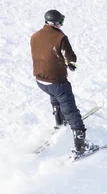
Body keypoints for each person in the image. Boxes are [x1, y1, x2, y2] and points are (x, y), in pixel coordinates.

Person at [30, 9, 98, 157]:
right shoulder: (60, 37)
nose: (61, 24)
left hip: (41, 81)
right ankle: (81, 146)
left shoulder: (34, 36)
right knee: (72, 112)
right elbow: (70, 56)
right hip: (57, 82)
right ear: (56, 23)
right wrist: (71, 64)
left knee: (55, 98)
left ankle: (60, 124)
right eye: (61, 22)